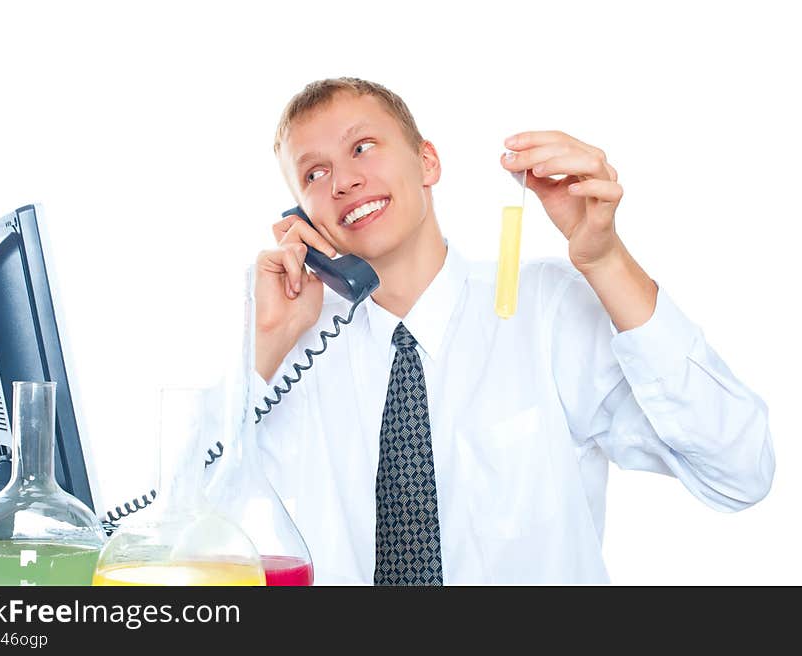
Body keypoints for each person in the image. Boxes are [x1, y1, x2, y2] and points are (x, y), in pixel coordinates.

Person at [252, 77, 774, 584]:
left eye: (362, 147)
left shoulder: (548, 310)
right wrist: (270, 342)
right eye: (315, 175)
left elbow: (738, 471)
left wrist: (608, 261)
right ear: (301, 214)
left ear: (427, 161)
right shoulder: (297, 353)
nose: (343, 181)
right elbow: (190, 524)